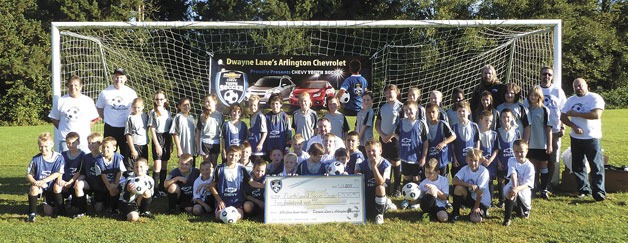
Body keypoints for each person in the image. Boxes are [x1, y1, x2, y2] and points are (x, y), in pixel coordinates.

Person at [560, 78, 606, 201]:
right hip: (576, 138)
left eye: (580, 85)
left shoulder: (595, 98)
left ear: (587, 86)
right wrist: (573, 126)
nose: (578, 88)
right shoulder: (571, 100)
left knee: (596, 165)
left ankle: (599, 192)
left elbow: (596, 115)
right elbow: (563, 116)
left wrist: (576, 114)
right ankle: (584, 190)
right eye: (575, 86)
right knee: (578, 166)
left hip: (592, 137)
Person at [532, 67, 567, 187]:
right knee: (536, 159)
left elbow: (563, 110)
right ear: (540, 75)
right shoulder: (535, 89)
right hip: (537, 131)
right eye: (544, 74)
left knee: (552, 159)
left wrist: (563, 127)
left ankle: (547, 184)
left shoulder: (558, 91)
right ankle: (535, 183)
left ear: (552, 77)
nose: (546, 76)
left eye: (549, 74)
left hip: (554, 130)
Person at [210, 145, 264, 222]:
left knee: (239, 215)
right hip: (223, 201)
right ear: (227, 155)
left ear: (239, 157)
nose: (233, 157)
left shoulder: (241, 168)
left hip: (237, 202)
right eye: (231, 155)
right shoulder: (219, 168)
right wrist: (219, 200)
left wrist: (264, 186)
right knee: (218, 216)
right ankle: (226, 216)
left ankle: (231, 217)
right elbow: (212, 186)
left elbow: (251, 182)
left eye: (236, 155)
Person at [96, 68, 138, 163]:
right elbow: (99, 108)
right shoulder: (105, 92)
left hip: (126, 128)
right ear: (113, 78)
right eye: (116, 77)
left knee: (126, 154)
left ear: (125, 78)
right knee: (109, 153)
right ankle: (109, 173)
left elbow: (135, 109)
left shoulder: (131, 93)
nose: (118, 80)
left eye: (121, 77)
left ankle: (126, 174)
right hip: (110, 128)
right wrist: (107, 118)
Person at [48, 75, 99, 153]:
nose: (73, 87)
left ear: (81, 86)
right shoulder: (61, 101)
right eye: (71, 85)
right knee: (66, 164)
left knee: (84, 164)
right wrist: (63, 128)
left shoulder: (88, 101)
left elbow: (95, 119)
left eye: (76, 85)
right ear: (68, 86)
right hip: (65, 141)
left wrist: (84, 127)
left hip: (83, 140)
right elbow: (54, 118)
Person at [25, 132, 65, 222]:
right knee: (33, 188)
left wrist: (44, 180)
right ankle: (32, 214)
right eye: (41, 146)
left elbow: (58, 173)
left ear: (52, 145)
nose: (43, 149)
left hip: (52, 186)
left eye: (46, 146)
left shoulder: (59, 157)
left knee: (48, 212)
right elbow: (28, 175)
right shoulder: (35, 159)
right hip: (40, 186)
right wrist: (34, 182)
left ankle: (60, 209)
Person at [397, 100, 429, 209]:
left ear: (416, 110)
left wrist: (424, 157)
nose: (408, 111)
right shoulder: (401, 122)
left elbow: (425, 142)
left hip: (417, 158)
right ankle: (406, 199)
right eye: (406, 110)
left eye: (410, 109)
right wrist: (403, 142)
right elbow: (396, 134)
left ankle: (416, 199)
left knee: (416, 178)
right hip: (405, 158)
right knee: (406, 177)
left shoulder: (421, 124)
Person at [375, 84, 403, 196]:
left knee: (395, 163)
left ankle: (397, 188)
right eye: (386, 92)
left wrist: (391, 135)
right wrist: (382, 135)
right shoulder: (383, 107)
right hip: (383, 139)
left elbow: (400, 125)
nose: (388, 94)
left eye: (390, 92)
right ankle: (386, 186)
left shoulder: (401, 107)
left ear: (396, 93)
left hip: (395, 140)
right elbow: (377, 124)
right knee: (385, 163)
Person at [355, 139, 391, 224]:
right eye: (368, 151)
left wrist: (374, 167)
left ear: (380, 151)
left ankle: (380, 214)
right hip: (367, 194)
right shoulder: (362, 164)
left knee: (380, 188)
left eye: (373, 151)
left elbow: (381, 182)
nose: (371, 153)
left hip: (378, 193)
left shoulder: (386, 165)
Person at [526, 86, 552, 200]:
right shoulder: (526, 109)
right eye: (531, 95)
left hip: (542, 143)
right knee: (532, 166)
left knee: (543, 166)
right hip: (530, 144)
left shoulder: (544, 110)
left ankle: (544, 189)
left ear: (540, 97)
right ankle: (533, 187)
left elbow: (548, 128)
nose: (533, 97)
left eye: (535, 95)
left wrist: (550, 144)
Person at [450, 148, 491, 223]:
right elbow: (454, 181)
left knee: (475, 220)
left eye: (476, 161)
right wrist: (469, 185)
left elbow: (480, 192)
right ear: (466, 160)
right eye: (471, 160)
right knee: (458, 188)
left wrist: (476, 207)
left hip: (481, 201)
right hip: (471, 198)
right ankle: (455, 213)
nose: (473, 163)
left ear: (480, 161)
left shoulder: (484, 172)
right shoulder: (465, 169)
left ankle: (480, 211)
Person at [502, 140, 535, 226]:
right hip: (514, 187)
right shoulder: (511, 160)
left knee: (522, 215)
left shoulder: (530, 166)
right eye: (516, 151)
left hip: (523, 191)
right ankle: (507, 219)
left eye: (522, 152)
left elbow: (528, 184)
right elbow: (513, 174)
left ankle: (525, 209)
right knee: (510, 193)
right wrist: (514, 187)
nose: (519, 154)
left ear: (527, 151)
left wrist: (517, 189)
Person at [495, 109, 522, 207]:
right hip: (502, 161)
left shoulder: (516, 132)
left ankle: (511, 199)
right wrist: (498, 162)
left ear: (512, 118)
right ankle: (501, 200)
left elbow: (519, 148)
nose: (506, 119)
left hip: (512, 162)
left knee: (512, 180)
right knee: (501, 180)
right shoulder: (497, 132)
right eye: (503, 117)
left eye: (508, 117)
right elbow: (496, 149)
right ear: (500, 119)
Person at [73, 132, 103, 218]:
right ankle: (82, 210)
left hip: (100, 186)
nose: (90, 145)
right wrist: (77, 181)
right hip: (89, 183)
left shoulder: (103, 157)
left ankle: (95, 200)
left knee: (98, 209)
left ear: (100, 143)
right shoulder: (86, 157)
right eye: (89, 143)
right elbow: (82, 173)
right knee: (78, 185)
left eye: (93, 143)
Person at [148, 91, 173, 197]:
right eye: (157, 99)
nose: (159, 101)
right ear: (154, 100)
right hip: (157, 138)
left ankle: (162, 187)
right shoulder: (153, 112)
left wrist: (171, 142)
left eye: (161, 99)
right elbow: (152, 129)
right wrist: (157, 144)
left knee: (164, 164)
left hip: (167, 137)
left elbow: (171, 129)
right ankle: (155, 190)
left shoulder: (168, 112)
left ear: (165, 100)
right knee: (157, 165)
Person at [96, 136, 127, 216]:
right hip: (105, 183)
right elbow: (103, 175)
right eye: (103, 147)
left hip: (119, 181)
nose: (105, 149)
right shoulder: (99, 160)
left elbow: (120, 172)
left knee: (116, 191)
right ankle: (108, 204)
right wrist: (109, 187)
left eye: (107, 147)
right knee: (98, 208)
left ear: (114, 148)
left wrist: (116, 184)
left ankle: (115, 209)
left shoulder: (118, 157)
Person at [57, 132, 85, 215]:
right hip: (64, 180)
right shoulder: (63, 155)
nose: (71, 145)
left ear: (78, 142)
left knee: (77, 188)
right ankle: (60, 209)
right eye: (68, 143)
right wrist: (60, 179)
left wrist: (70, 182)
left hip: (74, 180)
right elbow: (60, 169)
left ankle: (78, 206)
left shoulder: (83, 155)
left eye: (73, 143)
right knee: (57, 186)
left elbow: (79, 171)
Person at [451, 101, 480, 177]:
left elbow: (477, 141)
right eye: (459, 111)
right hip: (459, 161)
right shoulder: (454, 127)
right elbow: (452, 145)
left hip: (472, 162)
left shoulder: (474, 126)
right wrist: (454, 159)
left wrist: (477, 156)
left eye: (463, 111)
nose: (461, 113)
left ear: (469, 112)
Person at [425, 103, 456, 176]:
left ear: (438, 113)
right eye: (429, 112)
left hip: (442, 157)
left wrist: (444, 142)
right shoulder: (425, 125)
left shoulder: (442, 124)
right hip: (430, 156)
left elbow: (453, 136)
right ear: (426, 113)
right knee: (430, 176)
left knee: (442, 177)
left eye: (433, 112)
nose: (431, 114)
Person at [418, 158, 450, 222]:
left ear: (438, 172)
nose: (427, 175)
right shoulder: (423, 183)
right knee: (431, 191)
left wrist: (435, 189)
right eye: (426, 172)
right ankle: (426, 213)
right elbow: (419, 198)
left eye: (430, 173)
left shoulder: (444, 180)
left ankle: (433, 215)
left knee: (444, 218)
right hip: (426, 206)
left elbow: (444, 197)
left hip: (440, 205)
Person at [196, 94, 222, 167]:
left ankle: (214, 178)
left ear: (215, 102)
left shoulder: (220, 115)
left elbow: (222, 131)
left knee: (214, 164)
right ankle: (206, 178)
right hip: (205, 142)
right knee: (207, 165)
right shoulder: (202, 115)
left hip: (216, 142)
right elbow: (198, 131)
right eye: (205, 102)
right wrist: (198, 147)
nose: (206, 104)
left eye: (208, 101)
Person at [477, 110, 498, 201]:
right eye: (486, 120)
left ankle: (490, 200)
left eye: (490, 121)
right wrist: (481, 158)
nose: (488, 123)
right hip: (481, 161)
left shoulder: (494, 134)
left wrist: (490, 160)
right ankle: (480, 199)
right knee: (481, 180)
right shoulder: (477, 133)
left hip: (491, 162)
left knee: (490, 180)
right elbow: (476, 148)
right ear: (481, 120)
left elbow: (496, 149)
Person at [124, 97, 149, 175]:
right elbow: (128, 134)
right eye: (134, 107)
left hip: (144, 145)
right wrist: (133, 149)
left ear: (143, 107)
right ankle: (130, 182)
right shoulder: (130, 118)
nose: (136, 109)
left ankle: (144, 182)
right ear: (132, 107)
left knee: (143, 166)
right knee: (132, 167)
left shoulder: (145, 116)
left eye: (138, 107)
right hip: (134, 146)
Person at [170, 97, 196, 167]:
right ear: (179, 106)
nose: (186, 106)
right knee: (184, 168)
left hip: (192, 149)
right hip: (183, 149)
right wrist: (179, 149)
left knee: (192, 168)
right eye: (184, 105)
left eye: (188, 104)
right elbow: (175, 134)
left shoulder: (192, 118)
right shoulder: (178, 117)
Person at [247, 95, 267, 159]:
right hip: (252, 144)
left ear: (258, 105)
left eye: (254, 105)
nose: (252, 107)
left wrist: (260, 144)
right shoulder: (252, 116)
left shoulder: (261, 116)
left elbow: (265, 132)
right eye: (251, 105)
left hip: (258, 146)